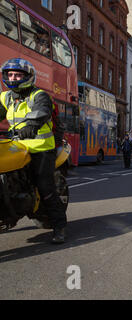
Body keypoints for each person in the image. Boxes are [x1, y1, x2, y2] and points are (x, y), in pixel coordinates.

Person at [0, 58, 67, 243]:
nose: (13, 78)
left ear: (28, 77)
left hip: (40, 148)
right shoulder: (5, 97)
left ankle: (59, 226)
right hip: (16, 146)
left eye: (18, 75)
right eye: (10, 74)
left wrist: (31, 125)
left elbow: (42, 111)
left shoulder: (39, 95)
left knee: (45, 186)